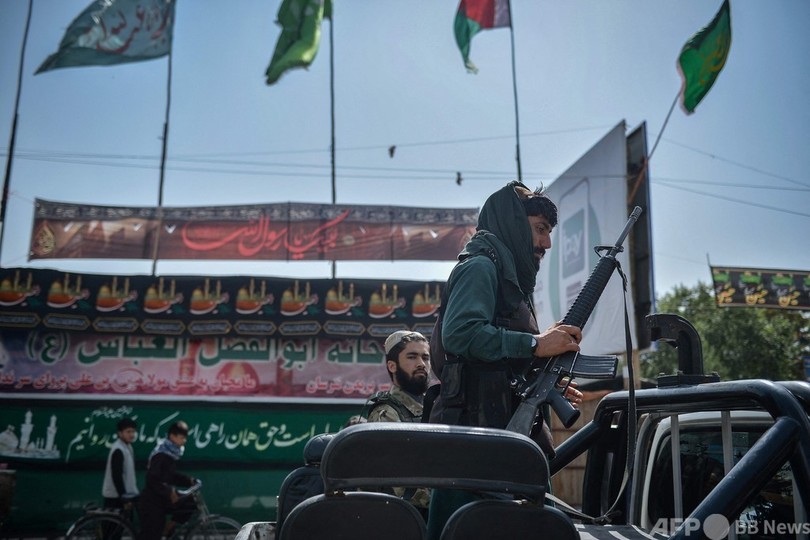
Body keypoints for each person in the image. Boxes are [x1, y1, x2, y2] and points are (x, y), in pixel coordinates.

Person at [426, 181, 584, 539]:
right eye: (540, 229)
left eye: (548, 232)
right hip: (474, 447)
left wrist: (545, 379)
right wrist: (535, 344)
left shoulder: (510, 280)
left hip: (502, 441)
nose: (546, 243)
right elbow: (461, 335)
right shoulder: (480, 267)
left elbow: (500, 356)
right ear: (513, 224)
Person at [365, 330, 432, 518]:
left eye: (425, 357)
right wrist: (444, 500)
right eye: (412, 357)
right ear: (392, 366)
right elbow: (397, 482)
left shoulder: (435, 407)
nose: (421, 364)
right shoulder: (386, 413)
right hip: (403, 517)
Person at [138, 421, 196, 540]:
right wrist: (169, 491)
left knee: (189, 502)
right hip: (152, 502)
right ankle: (166, 530)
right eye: (181, 438)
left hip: (161, 498)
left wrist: (189, 481)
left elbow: (170, 476)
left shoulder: (170, 453)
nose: (184, 441)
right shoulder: (161, 454)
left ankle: (169, 528)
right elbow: (152, 479)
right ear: (172, 436)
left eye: (185, 438)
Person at [102, 418, 139, 517]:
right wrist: (124, 498)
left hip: (125, 495)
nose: (132, 435)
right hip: (116, 497)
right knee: (113, 525)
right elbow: (116, 475)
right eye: (128, 432)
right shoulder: (118, 449)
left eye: (133, 432)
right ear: (120, 433)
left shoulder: (128, 447)